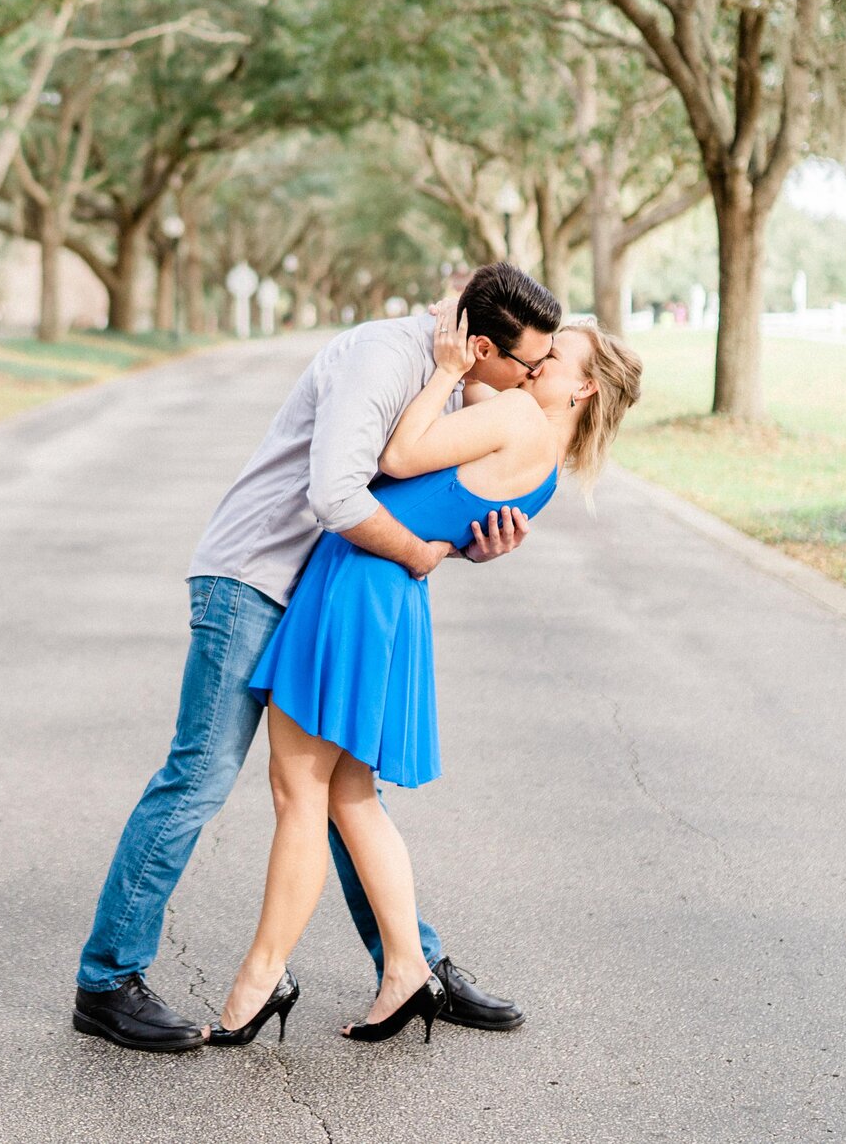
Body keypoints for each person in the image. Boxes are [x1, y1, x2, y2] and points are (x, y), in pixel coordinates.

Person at [72, 264, 563, 1054]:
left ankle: (412, 962)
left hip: (317, 594)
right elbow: (338, 495)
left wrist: (470, 544)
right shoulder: (383, 359)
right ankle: (106, 980)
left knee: (337, 789)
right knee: (203, 775)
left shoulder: (445, 378)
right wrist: (421, 555)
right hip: (256, 580)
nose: (532, 381)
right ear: (480, 347)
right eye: (526, 366)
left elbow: (423, 496)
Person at [206, 315, 643, 1047]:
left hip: (357, 583)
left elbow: (400, 455)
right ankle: (408, 966)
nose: (534, 363)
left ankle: (260, 980)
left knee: (301, 793)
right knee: (346, 795)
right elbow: (451, 519)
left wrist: (443, 367)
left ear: (587, 385)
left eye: (554, 355)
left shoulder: (515, 416)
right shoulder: (546, 470)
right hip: (389, 594)